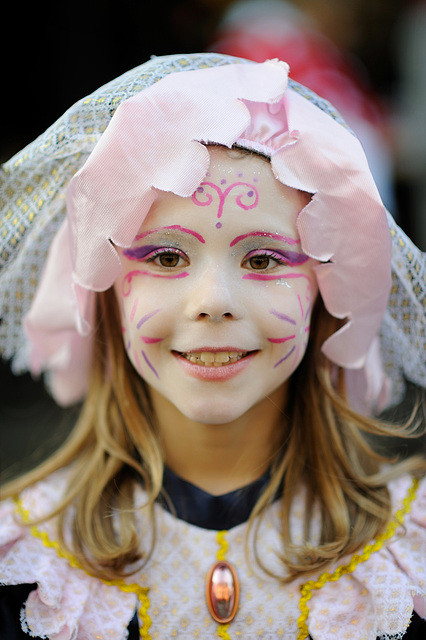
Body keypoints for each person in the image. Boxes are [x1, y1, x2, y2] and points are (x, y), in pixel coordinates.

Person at [0, 52, 425, 640]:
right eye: (167, 256)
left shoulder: (411, 558)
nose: (212, 301)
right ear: (107, 291)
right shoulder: (25, 563)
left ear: (328, 291)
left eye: (264, 258)